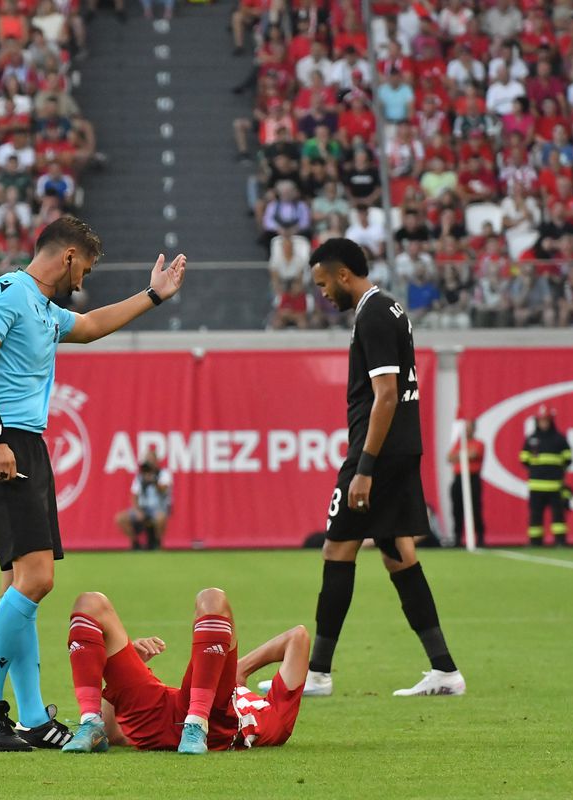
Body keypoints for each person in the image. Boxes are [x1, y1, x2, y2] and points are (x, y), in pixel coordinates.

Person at [0, 216, 186, 751]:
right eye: (85, 266)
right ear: (67, 256)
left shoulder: (44, 308)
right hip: (3, 442)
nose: (84, 276)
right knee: (37, 579)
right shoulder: (7, 292)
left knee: (20, 584)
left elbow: (90, 324)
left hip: (26, 444)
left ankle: (32, 716)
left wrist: (153, 296)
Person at [305, 238, 465, 698]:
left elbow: (387, 395)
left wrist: (365, 467)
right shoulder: (390, 308)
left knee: (337, 550)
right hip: (400, 450)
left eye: (323, 284)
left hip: (377, 455)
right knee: (399, 555)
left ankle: (317, 674)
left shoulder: (374, 314)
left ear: (343, 275)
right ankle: (445, 670)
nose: (323, 294)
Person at [59, 588, 307, 754]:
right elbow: (113, 734)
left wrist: (240, 669)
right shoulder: (227, 687)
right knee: (89, 603)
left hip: (217, 724)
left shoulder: (279, 721)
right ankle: (90, 722)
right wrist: (134, 660)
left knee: (213, 598)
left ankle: (197, 723)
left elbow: (299, 637)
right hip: (169, 710)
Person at [521, 405, 572, 546]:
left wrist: (555, 471)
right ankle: (535, 541)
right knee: (535, 515)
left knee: (558, 515)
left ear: (551, 421)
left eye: (546, 420)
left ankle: (560, 541)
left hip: (555, 485)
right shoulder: (531, 439)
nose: (543, 423)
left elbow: (568, 459)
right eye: (541, 420)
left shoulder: (559, 439)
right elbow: (523, 459)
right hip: (536, 485)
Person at [115, 451, 173, 550]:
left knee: (160, 518)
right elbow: (134, 495)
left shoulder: (163, 474)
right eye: (147, 460)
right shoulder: (140, 476)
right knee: (120, 518)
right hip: (143, 508)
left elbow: (164, 489)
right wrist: (137, 510)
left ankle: (157, 544)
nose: (149, 462)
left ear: (156, 461)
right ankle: (135, 544)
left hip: (158, 508)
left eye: (151, 460)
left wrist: (153, 480)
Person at [447, 419, 485, 547]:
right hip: (458, 478)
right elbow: (449, 457)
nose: (466, 431)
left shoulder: (479, 443)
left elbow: (474, 455)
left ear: (473, 429)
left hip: (472, 478)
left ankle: (479, 537)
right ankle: (457, 538)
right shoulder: (459, 443)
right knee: (457, 509)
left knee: (475, 509)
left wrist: (459, 455)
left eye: (469, 428)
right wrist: (463, 454)